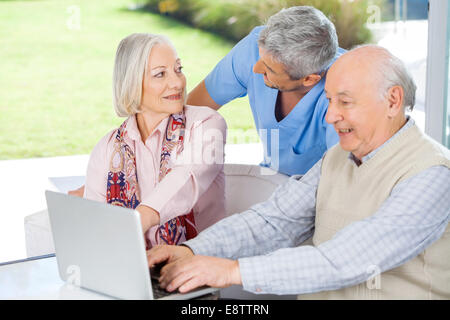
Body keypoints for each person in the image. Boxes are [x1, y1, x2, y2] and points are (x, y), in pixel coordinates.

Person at [146, 45, 450, 299]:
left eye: (345, 102)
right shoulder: (337, 158)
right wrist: (192, 250)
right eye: (329, 100)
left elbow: (345, 260)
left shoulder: (433, 174)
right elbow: (275, 221)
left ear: (393, 101)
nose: (331, 116)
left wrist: (229, 270)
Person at [83, 33, 227, 247]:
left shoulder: (207, 124)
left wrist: (135, 221)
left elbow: (186, 177)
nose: (177, 82)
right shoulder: (108, 148)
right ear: (131, 82)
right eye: (160, 74)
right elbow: (94, 221)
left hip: (202, 265)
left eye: (178, 69)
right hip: (134, 268)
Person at [187, 6, 346, 176]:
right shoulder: (254, 48)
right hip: (270, 175)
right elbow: (190, 111)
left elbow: (341, 181)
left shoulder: (343, 94)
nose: (255, 68)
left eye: (269, 69)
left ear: (309, 79)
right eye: (260, 57)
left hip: (319, 190)